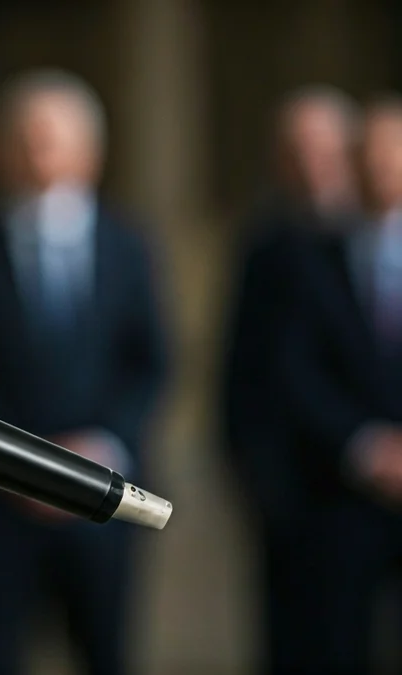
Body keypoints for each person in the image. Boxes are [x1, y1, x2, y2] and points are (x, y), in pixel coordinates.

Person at [0, 70, 168, 675]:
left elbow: (149, 362)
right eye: (24, 141)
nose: (39, 157)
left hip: (104, 493)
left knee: (104, 649)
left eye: (53, 141)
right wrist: (15, 461)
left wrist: (100, 447)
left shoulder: (129, 244)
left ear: (91, 153)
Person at [220, 86, 361, 675]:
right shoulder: (265, 247)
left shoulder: (373, 240)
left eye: (324, 150)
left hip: (367, 487)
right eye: (295, 152)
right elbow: (247, 372)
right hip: (291, 490)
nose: (310, 165)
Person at [276, 96, 402, 674]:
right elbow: (297, 371)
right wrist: (366, 446)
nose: (380, 165)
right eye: (366, 153)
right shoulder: (310, 258)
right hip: (340, 491)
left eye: (393, 151)